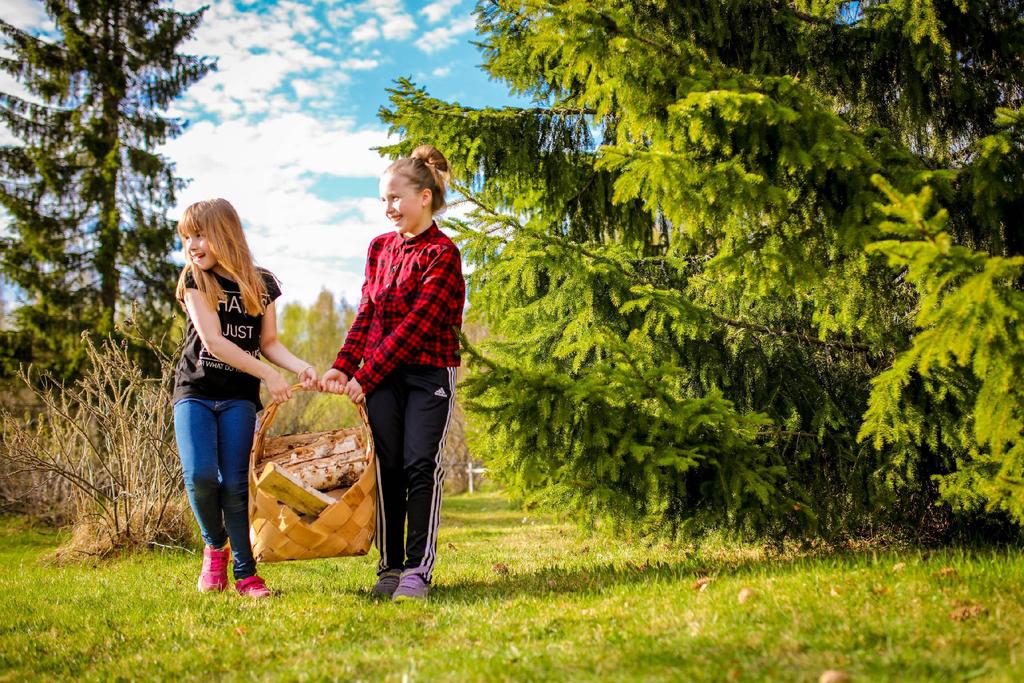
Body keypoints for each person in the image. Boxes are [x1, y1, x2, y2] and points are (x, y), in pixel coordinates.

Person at [321, 145, 465, 601]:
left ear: (424, 197)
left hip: (427, 376)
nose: (388, 208)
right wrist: (342, 367)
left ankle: (417, 572)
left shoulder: (443, 254)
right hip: (382, 379)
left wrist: (365, 375)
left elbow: (415, 328)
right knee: (387, 470)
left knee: (420, 465)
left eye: (396, 198)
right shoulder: (379, 249)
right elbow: (367, 314)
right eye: (383, 200)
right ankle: (390, 568)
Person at [172, 198, 317, 598]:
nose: (192, 245)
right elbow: (214, 342)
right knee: (202, 477)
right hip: (195, 393)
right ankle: (214, 545)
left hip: (239, 398)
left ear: (225, 233)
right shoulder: (194, 280)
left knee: (236, 485)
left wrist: (299, 366)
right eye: (186, 237)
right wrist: (270, 375)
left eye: (199, 235)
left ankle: (246, 573)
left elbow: (268, 343)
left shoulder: (261, 282)